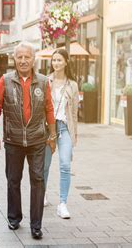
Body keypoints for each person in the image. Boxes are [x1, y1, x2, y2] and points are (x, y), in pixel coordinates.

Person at [0, 41, 57, 240]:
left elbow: (49, 109)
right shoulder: (6, 80)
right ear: (14, 59)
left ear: (33, 59)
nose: (23, 60)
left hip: (38, 139)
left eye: (27, 57)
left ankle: (36, 225)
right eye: (19, 57)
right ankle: (14, 217)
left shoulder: (44, 81)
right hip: (13, 139)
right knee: (13, 180)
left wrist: (52, 136)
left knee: (38, 179)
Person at [43, 49, 79, 218]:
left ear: (66, 62)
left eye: (59, 60)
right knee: (44, 166)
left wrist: (74, 136)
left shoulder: (73, 85)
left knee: (65, 165)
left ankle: (62, 203)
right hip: (48, 128)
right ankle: (42, 194)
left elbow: (74, 113)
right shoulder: (44, 81)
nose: (56, 63)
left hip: (64, 128)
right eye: (54, 60)